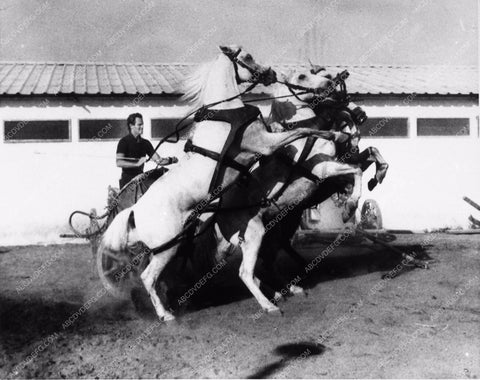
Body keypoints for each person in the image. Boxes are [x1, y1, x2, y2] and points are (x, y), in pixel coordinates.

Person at [116, 113, 178, 188]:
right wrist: (137, 163)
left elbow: (159, 161)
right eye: (139, 125)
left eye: (142, 124)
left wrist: (171, 160)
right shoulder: (124, 142)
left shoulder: (145, 143)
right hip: (127, 184)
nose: (142, 127)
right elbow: (119, 162)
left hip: (140, 181)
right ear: (131, 126)